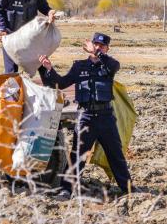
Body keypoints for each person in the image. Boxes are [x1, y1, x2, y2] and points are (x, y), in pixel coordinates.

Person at [38, 32, 132, 198]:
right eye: (96, 44)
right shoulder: (79, 66)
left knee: (115, 155)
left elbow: (113, 65)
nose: (98, 47)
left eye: (102, 46)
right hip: (86, 117)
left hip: (106, 117)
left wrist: (97, 53)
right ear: (91, 45)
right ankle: (67, 189)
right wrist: (48, 69)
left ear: (107, 49)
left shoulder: (109, 66)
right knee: (77, 156)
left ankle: (128, 189)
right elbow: (61, 83)